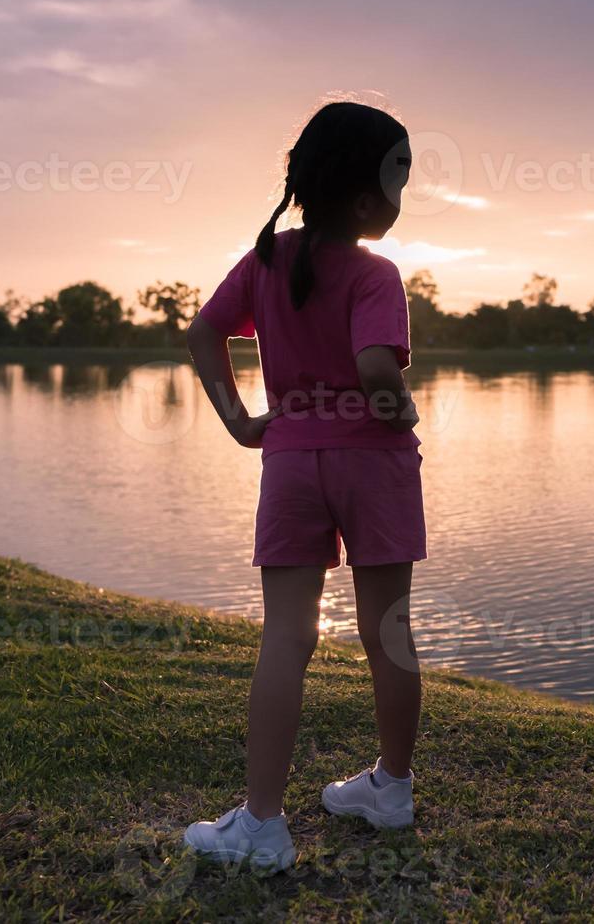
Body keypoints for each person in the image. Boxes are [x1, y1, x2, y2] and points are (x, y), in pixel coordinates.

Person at [181, 101, 426, 873]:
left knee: (286, 635)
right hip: (373, 463)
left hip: (290, 458)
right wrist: (400, 405)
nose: (399, 196)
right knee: (386, 629)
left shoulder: (265, 262)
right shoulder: (375, 273)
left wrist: (238, 421)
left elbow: (201, 332)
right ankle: (390, 787)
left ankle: (261, 824)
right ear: (363, 200)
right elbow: (376, 368)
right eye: (397, 179)